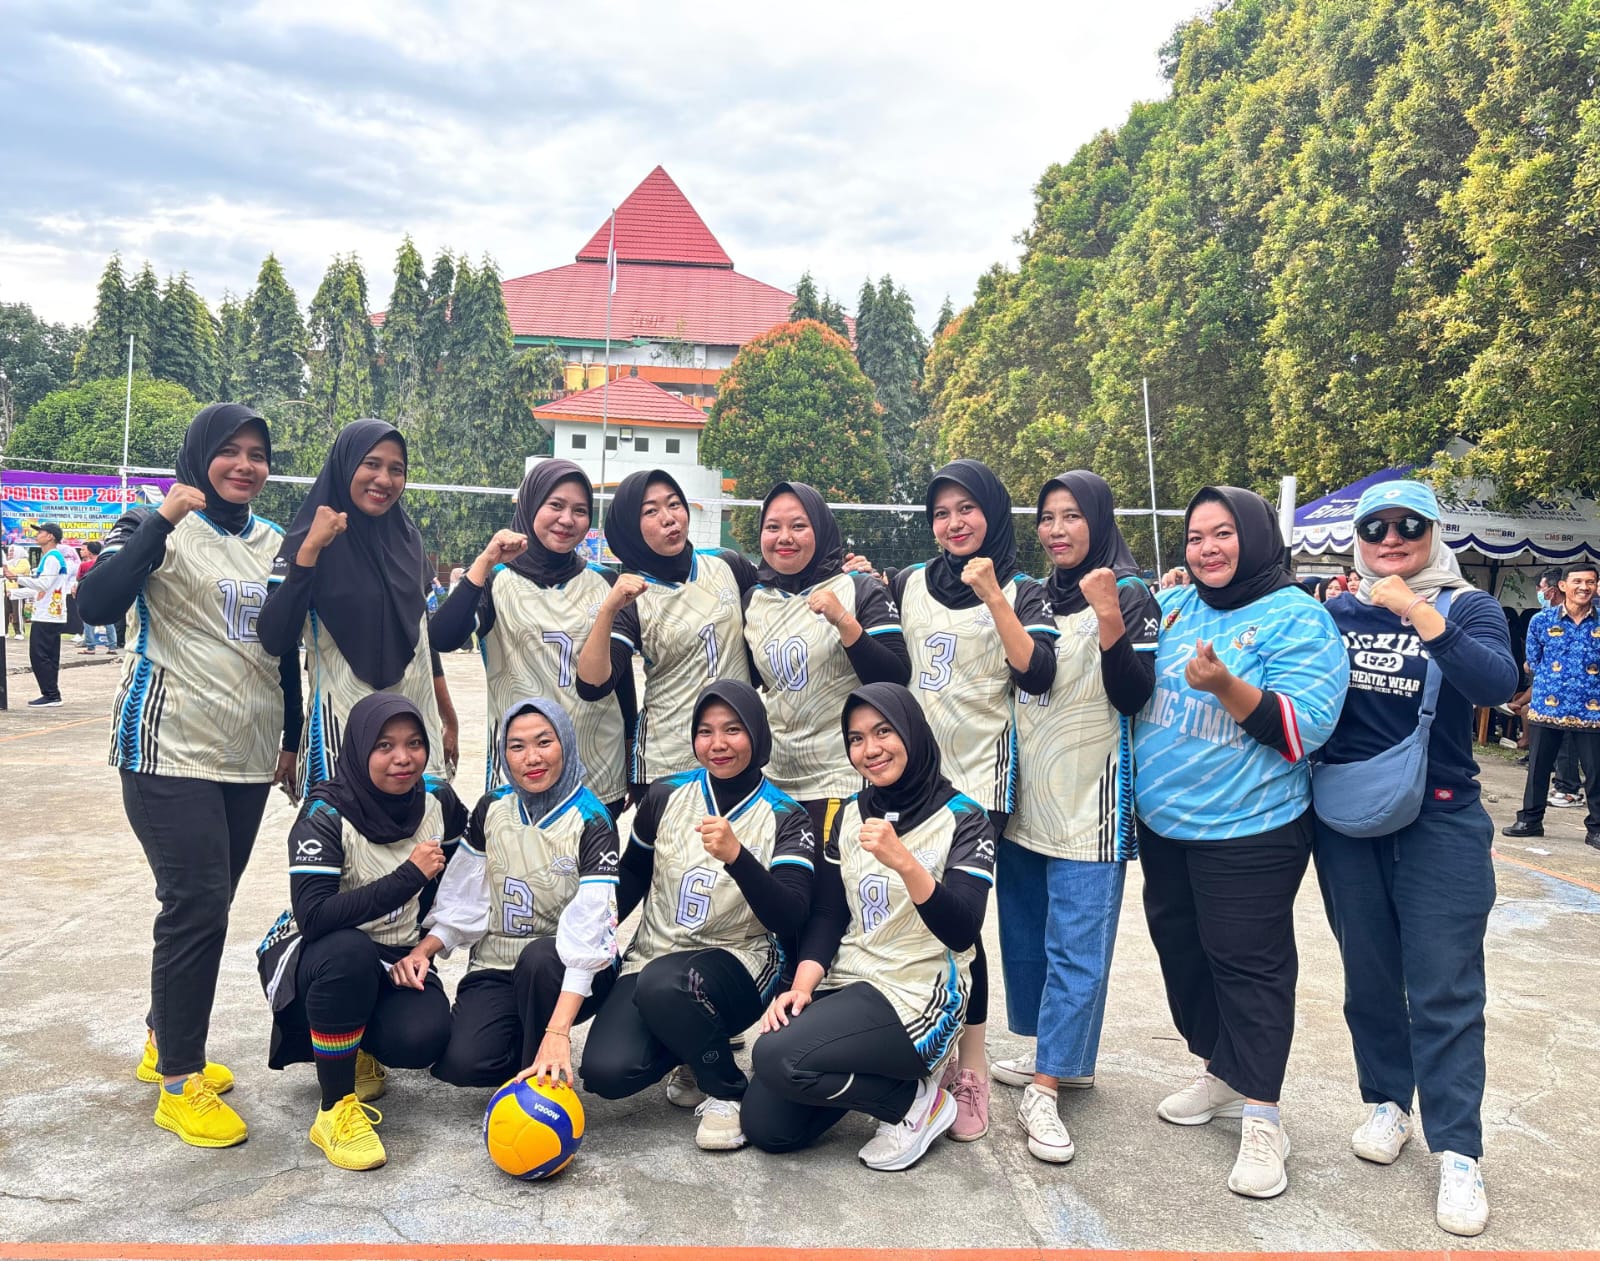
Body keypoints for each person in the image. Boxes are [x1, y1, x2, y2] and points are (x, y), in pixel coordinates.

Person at [76, 403, 302, 1147]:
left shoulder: (273, 541)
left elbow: (283, 647)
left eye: (257, 454)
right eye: (229, 450)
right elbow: (94, 603)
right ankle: (179, 1079)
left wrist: (291, 738)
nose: (244, 465)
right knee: (196, 901)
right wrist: (162, 522)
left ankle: (161, 1035)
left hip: (246, 754)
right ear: (198, 455)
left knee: (208, 902)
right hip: (167, 747)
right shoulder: (150, 521)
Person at [1314, 480, 1517, 1237]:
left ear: (1434, 532)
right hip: (1349, 819)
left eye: (1408, 524)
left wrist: (1417, 611)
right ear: (1358, 539)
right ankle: (1388, 1102)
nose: (1391, 537)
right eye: (1375, 527)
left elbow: (1497, 683)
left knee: (1445, 987)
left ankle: (1458, 1149)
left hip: (1442, 820)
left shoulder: (1469, 607)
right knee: (1368, 976)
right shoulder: (1337, 613)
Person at [1133, 485, 1348, 1199]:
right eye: (1196, 537)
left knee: (1249, 967)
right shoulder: (1173, 607)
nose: (1207, 549)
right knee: (1183, 954)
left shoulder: (1300, 617)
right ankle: (1222, 1071)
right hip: (1166, 825)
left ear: (1253, 536)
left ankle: (1263, 1114)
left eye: (1222, 533)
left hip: (1251, 828)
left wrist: (1227, 685)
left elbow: (1304, 729)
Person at [742, 683, 996, 1171]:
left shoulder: (965, 818)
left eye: (883, 732)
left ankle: (913, 1107)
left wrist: (905, 862)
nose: (870, 749)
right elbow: (829, 914)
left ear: (911, 731)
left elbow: (963, 929)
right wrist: (801, 987)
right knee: (769, 1126)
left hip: (919, 991)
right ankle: (899, 1088)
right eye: (856, 739)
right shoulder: (849, 813)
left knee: (777, 1055)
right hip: (853, 979)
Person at [994, 471, 1160, 1163]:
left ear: (1099, 518)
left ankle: (1046, 1086)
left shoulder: (1131, 592)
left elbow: (1135, 695)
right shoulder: (1033, 594)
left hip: (1092, 802)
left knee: (1077, 948)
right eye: (1047, 517)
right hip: (1026, 796)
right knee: (1027, 939)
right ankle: (1060, 1055)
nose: (1056, 529)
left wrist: (1111, 618)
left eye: (1071, 515)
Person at [889, 458, 1057, 1140]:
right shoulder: (909, 583)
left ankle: (973, 1064)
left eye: (967, 509)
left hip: (979, 783)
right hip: (909, 782)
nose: (954, 523)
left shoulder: (1023, 589)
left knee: (961, 925)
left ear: (993, 513)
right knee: (912, 916)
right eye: (942, 512)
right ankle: (925, 1052)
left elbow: (1037, 672)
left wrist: (992, 595)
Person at [579, 681, 815, 1152]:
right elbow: (632, 874)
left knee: (668, 984)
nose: (718, 743)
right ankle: (693, 1045)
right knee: (606, 1072)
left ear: (757, 733)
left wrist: (738, 857)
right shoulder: (666, 795)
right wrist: (589, 930)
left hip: (739, 960)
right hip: (654, 955)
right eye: (705, 731)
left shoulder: (786, 815)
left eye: (733, 730)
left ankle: (726, 1089)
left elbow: (790, 914)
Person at [258, 693, 467, 1170]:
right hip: (318, 955)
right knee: (348, 953)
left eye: (414, 743)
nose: (403, 758)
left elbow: (463, 875)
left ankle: (356, 1047)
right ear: (357, 749)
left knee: (424, 1037)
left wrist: (425, 948)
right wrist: (408, 877)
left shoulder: (438, 800)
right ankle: (334, 1109)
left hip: (395, 953)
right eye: (384, 746)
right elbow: (314, 916)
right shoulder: (325, 813)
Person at [429, 696, 621, 1090]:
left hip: (565, 969)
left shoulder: (592, 819)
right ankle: (522, 1044)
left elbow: (591, 929)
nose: (532, 757)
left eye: (544, 742)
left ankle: (543, 1073)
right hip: (498, 963)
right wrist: (426, 948)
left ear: (566, 743)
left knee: (538, 959)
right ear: (504, 753)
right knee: (463, 1064)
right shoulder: (492, 807)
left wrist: (558, 1031)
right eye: (517, 746)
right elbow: (465, 896)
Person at [258, 419, 459, 792]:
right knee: (344, 827)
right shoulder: (309, 539)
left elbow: (422, 643)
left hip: (415, 736)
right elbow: (274, 639)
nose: (384, 479)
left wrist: (449, 720)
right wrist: (310, 552)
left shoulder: (409, 541)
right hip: (341, 733)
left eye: (396, 469)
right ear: (346, 464)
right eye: (372, 464)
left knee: (423, 828)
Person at [429, 461, 633, 813]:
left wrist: (630, 748)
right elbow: (443, 637)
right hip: (521, 773)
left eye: (580, 510)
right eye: (556, 505)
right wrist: (485, 561)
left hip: (597, 769)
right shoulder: (497, 579)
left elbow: (621, 676)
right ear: (530, 505)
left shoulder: (605, 581)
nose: (567, 519)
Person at [743, 481, 910, 836]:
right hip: (775, 781)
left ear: (820, 529)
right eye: (773, 527)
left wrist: (844, 622)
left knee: (832, 873)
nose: (784, 537)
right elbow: (753, 683)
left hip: (841, 779)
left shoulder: (859, 588)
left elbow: (895, 678)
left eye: (798, 526)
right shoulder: (753, 600)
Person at [576, 469, 755, 794]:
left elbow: (782, 599)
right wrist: (607, 611)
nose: (669, 518)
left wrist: (838, 574)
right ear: (631, 526)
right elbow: (592, 685)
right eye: (651, 511)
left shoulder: (727, 565)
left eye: (674, 504)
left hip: (737, 755)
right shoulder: (632, 595)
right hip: (667, 764)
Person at [1503, 561, 1600, 849]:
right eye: (1577, 581)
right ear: (1563, 586)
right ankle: (1530, 820)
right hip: (1548, 705)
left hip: (1591, 709)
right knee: (1538, 768)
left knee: (1595, 772)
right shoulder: (1541, 621)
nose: (1584, 587)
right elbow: (1533, 661)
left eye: (1590, 582)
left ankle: (1596, 828)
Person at [12, 522, 72, 706]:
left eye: (41, 532)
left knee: (39, 656)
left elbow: (43, 585)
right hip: (51, 613)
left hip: (48, 614)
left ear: (50, 536)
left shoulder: (52, 557)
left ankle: (51, 694)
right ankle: (52, 694)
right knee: (49, 656)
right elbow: (41, 588)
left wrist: (18, 578)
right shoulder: (50, 557)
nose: (37, 535)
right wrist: (13, 593)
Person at [75, 541, 117, 655]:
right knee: (109, 621)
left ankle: (91, 647)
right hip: (106, 594)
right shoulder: (108, 562)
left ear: (89, 551)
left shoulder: (84, 565)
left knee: (88, 620)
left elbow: (79, 579)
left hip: (89, 595)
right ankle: (112, 646)